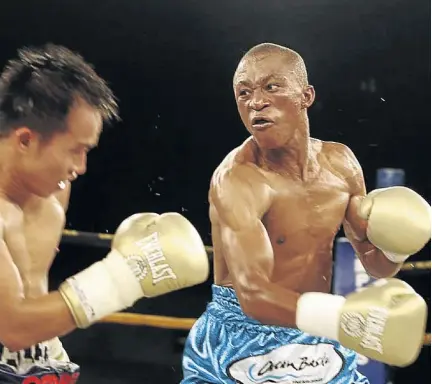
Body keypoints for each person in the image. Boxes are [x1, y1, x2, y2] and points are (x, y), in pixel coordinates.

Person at [181, 43, 431, 384]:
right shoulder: (238, 179)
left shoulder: (341, 164)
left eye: (271, 86)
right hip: (243, 335)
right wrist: (343, 318)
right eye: (244, 92)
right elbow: (252, 295)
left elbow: (376, 265)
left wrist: (398, 245)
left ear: (306, 96)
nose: (256, 102)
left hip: (318, 330)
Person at [0, 43, 209, 383]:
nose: (80, 167)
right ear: (25, 140)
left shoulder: (55, 192)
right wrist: (126, 276)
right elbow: (12, 327)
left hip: (41, 360)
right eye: (75, 150)